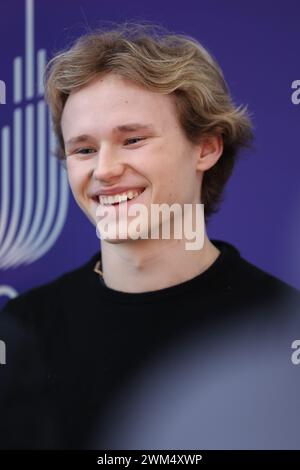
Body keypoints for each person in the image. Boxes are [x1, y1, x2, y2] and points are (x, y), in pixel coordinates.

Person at [0, 23, 300, 450]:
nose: (103, 169)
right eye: (83, 149)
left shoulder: (282, 331)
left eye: (133, 139)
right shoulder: (19, 335)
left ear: (207, 147)